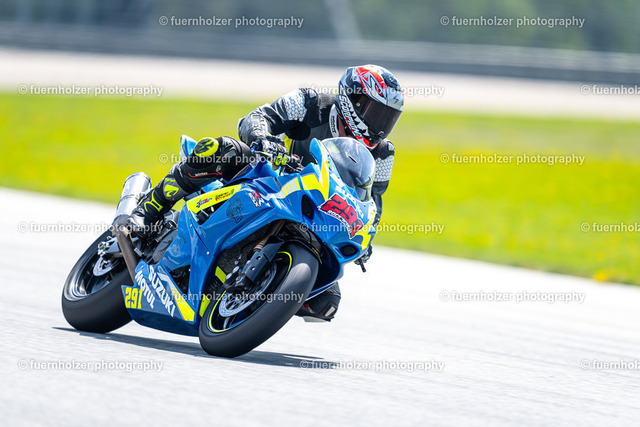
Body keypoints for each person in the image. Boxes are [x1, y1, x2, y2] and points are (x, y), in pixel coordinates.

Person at [128, 64, 404, 321]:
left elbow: (372, 201)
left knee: (325, 302)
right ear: (352, 100)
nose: (381, 125)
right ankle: (149, 209)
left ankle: (253, 296)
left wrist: (365, 235)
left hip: (315, 215)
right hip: (272, 176)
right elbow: (257, 118)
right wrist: (264, 140)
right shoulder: (312, 103)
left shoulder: (382, 153)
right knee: (223, 150)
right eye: (376, 113)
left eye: (388, 118)